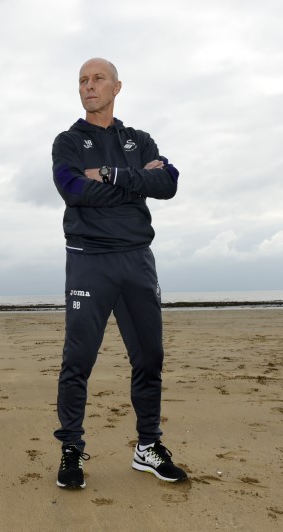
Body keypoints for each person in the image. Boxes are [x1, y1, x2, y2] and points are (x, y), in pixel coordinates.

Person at [51, 57, 188, 488]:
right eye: (82, 81)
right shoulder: (68, 142)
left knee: (149, 359)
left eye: (97, 79)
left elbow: (168, 182)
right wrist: (133, 186)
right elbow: (73, 190)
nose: (88, 86)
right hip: (89, 259)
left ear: (117, 87)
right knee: (78, 361)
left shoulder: (139, 139)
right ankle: (71, 449)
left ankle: (148, 447)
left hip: (137, 261)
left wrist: (109, 174)